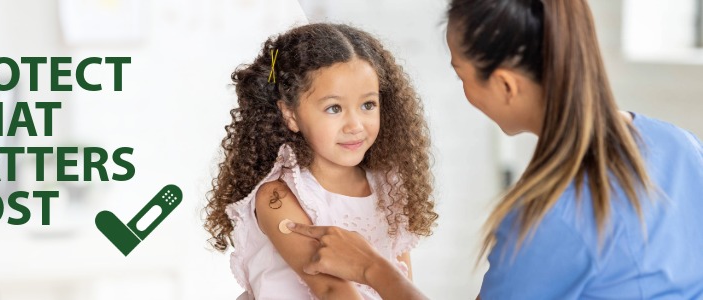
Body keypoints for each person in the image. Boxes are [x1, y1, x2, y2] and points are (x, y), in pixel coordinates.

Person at [287, 0, 703, 299]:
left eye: (462, 74)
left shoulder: (545, 218)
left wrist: (371, 267)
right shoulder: (681, 145)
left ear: (505, 85)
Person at [203, 23, 438, 299]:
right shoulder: (279, 196)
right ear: (290, 114)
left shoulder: (390, 187)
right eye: (334, 108)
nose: (355, 125)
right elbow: (330, 290)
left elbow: (400, 280)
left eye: (368, 105)